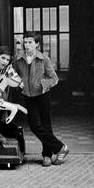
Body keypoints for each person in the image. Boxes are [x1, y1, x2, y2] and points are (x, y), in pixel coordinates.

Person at [13, 32, 69, 167]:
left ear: (37, 44)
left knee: (46, 125)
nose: (27, 45)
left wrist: (42, 85)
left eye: (30, 42)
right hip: (28, 96)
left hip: (43, 95)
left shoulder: (44, 59)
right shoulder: (18, 59)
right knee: (34, 126)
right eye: (25, 42)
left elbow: (54, 79)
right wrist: (19, 86)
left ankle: (47, 156)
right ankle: (61, 147)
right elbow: (14, 75)